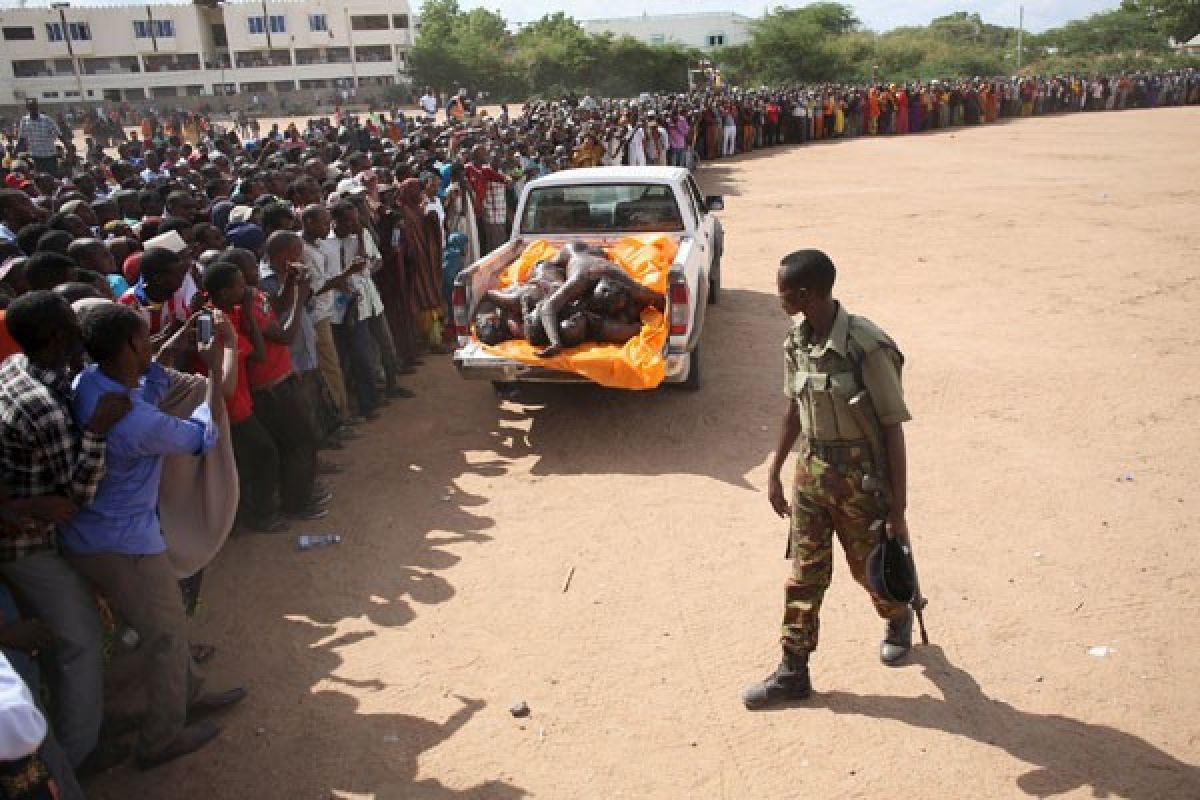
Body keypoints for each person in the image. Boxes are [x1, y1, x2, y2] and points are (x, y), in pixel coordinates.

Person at [62, 302, 247, 768]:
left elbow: (145, 385)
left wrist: (167, 351)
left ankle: (187, 693)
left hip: (98, 534)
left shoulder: (92, 383)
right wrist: (210, 368)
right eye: (144, 338)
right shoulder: (133, 419)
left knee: (159, 626)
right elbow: (198, 438)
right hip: (124, 544)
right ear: (126, 346)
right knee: (165, 631)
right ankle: (160, 738)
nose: (152, 343)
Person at [743, 249, 915, 710]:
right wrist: (777, 469)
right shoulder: (795, 341)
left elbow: (892, 428)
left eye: (782, 289)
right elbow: (792, 410)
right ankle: (793, 672)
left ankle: (898, 614)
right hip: (812, 473)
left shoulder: (864, 344)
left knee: (869, 569)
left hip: (859, 480)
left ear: (804, 293)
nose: (778, 296)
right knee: (804, 575)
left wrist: (897, 509)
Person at [0, 291, 130, 769]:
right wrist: (96, 430)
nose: (82, 335)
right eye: (73, 328)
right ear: (57, 338)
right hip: (29, 545)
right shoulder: (46, 408)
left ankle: (86, 722)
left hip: (27, 527)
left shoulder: (16, 365)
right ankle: (79, 754)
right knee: (80, 639)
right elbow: (77, 495)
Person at [16, 101, 65, 177]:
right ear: (28, 108)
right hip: (36, 156)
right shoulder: (24, 121)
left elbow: (59, 134)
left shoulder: (46, 119)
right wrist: (15, 152)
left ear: (37, 107)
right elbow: (22, 138)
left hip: (49, 155)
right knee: (39, 178)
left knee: (53, 177)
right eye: (31, 108)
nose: (33, 109)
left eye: (35, 107)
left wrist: (68, 147)